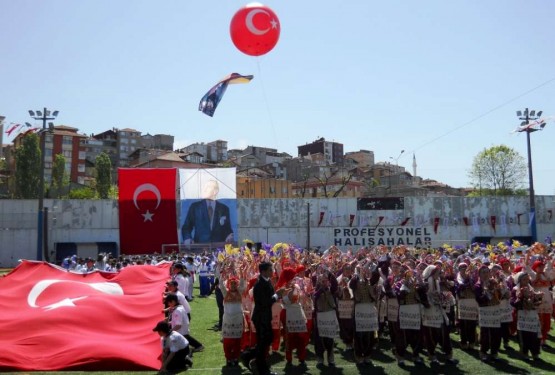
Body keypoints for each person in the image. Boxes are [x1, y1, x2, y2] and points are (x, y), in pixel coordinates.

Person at [240, 261, 286, 375]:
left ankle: (248, 356)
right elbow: (265, 302)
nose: (272, 272)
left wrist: (277, 294)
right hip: (261, 318)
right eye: (270, 270)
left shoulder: (267, 281)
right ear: (263, 271)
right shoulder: (259, 284)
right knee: (264, 342)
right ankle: (261, 368)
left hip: (264, 316)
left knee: (265, 341)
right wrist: (277, 295)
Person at [181, 180, 233, 244]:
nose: (204, 189)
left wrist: (229, 236)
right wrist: (187, 238)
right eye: (204, 187)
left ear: (215, 191)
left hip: (218, 249)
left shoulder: (224, 209)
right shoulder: (195, 207)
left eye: (208, 187)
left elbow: (228, 229)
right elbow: (186, 227)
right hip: (199, 248)